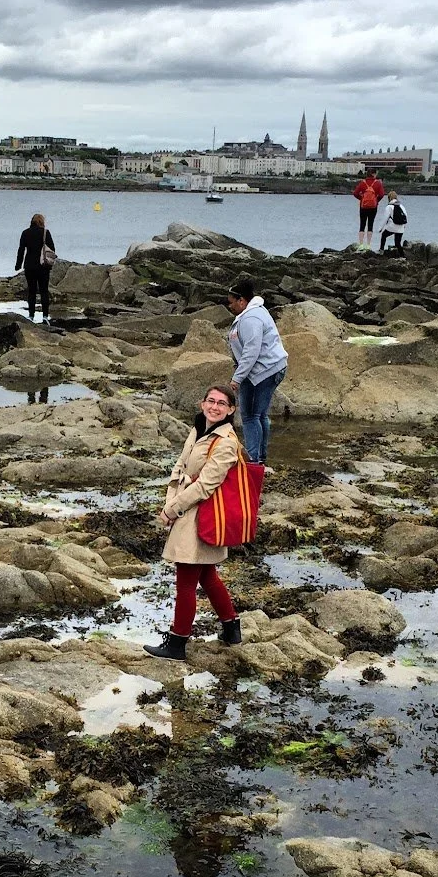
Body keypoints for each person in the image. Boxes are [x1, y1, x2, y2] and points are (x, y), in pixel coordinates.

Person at [143, 385, 243, 660]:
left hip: (201, 516)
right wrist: (169, 499)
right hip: (186, 508)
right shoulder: (199, 429)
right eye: (210, 401)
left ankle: (177, 643)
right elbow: (180, 467)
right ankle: (231, 627)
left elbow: (206, 486)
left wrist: (173, 510)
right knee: (208, 575)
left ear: (231, 410)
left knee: (186, 582)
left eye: (221, 403)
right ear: (202, 404)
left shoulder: (226, 442)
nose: (214, 407)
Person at [226, 278, 288, 464]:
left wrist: (236, 379)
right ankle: (260, 457)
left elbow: (251, 352)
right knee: (260, 415)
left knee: (251, 416)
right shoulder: (256, 312)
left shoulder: (251, 318)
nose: (229, 306)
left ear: (242, 301)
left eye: (231, 302)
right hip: (271, 367)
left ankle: (253, 460)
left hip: (264, 371)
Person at [14, 212, 57, 323]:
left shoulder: (25, 233)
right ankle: (45, 316)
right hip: (43, 266)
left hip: (29, 266)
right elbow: (52, 249)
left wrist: (18, 265)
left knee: (31, 291)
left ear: (31, 222)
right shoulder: (45, 233)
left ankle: (31, 316)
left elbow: (21, 250)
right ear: (42, 222)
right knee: (44, 291)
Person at [352, 169, 385, 250]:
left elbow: (355, 193)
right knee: (370, 224)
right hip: (373, 207)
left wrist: (362, 199)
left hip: (363, 206)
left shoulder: (363, 182)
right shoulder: (378, 183)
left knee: (362, 224)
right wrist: (376, 201)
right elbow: (381, 194)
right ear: (373, 174)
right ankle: (368, 245)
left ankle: (361, 244)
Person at [379, 190, 407, 255]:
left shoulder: (389, 207)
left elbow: (385, 219)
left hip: (392, 226)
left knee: (384, 235)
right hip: (401, 227)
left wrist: (380, 228)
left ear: (389, 198)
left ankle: (381, 251)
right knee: (397, 243)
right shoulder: (401, 206)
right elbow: (405, 216)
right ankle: (402, 256)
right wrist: (404, 226)